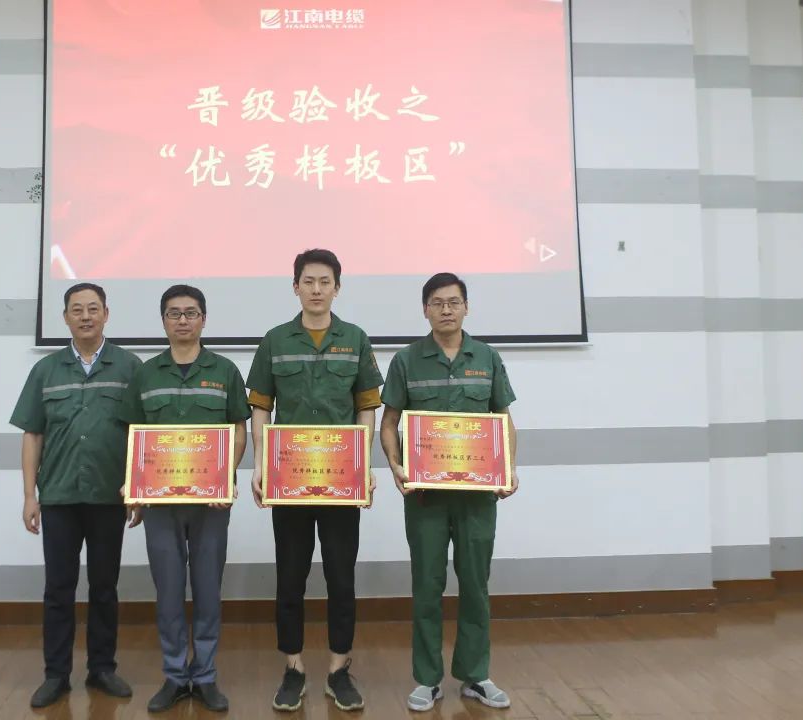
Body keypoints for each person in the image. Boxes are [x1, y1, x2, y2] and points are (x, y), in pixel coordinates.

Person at [246, 249, 384, 712]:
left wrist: (363, 465)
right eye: (309, 281)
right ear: (296, 287)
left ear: (337, 288)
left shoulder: (355, 339)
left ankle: (339, 669)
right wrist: (261, 465)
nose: (317, 289)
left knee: (341, 577)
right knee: (291, 576)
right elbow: (260, 407)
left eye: (325, 281)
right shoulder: (275, 340)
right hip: (289, 481)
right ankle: (294, 667)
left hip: (342, 482)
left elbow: (367, 406)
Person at [379, 272, 519, 712]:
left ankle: (476, 675)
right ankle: (427, 679)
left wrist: (509, 469)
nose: (446, 310)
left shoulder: (487, 357)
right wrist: (396, 465)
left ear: (466, 307)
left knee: (476, 584)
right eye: (437, 303)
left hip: (477, 497)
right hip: (427, 498)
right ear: (425, 309)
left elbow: (503, 419)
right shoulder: (406, 360)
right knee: (427, 585)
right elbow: (389, 423)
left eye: (453, 302)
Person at [119, 285, 250, 713]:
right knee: (169, 590)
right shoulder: (146, 374)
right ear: (163, 321)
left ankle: (205, 676)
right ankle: (175, 675)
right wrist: (133, 487)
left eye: (191, 313)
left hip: (211, 505)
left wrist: (225, 476)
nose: (182, 320)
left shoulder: (225, 371)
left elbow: (239, 428)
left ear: (203, 320)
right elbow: (133, 434)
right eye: (174, 313)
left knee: (208, 589)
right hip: (159, 505)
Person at [10, 282, 141, 708]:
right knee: (58, 588)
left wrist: (137, 489)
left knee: (105, 586)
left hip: (108, 495)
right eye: (77, 310)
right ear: (65, 317)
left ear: (106, 314)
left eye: (93, 309)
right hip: (60, 496)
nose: (86, 316)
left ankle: (102, 668)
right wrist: (29, 496)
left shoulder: (129, 366)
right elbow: (32, 434)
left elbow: (142, 435)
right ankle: (56, 674)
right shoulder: (46, 370)